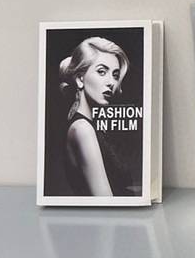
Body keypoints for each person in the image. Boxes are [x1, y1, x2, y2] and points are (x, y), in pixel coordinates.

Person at [59, 37, 140, 197]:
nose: (111, 83)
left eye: (115, 75)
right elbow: (105, 201)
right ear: (80, 79)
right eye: (102, 72)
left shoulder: (88, 126)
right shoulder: (82, 129)